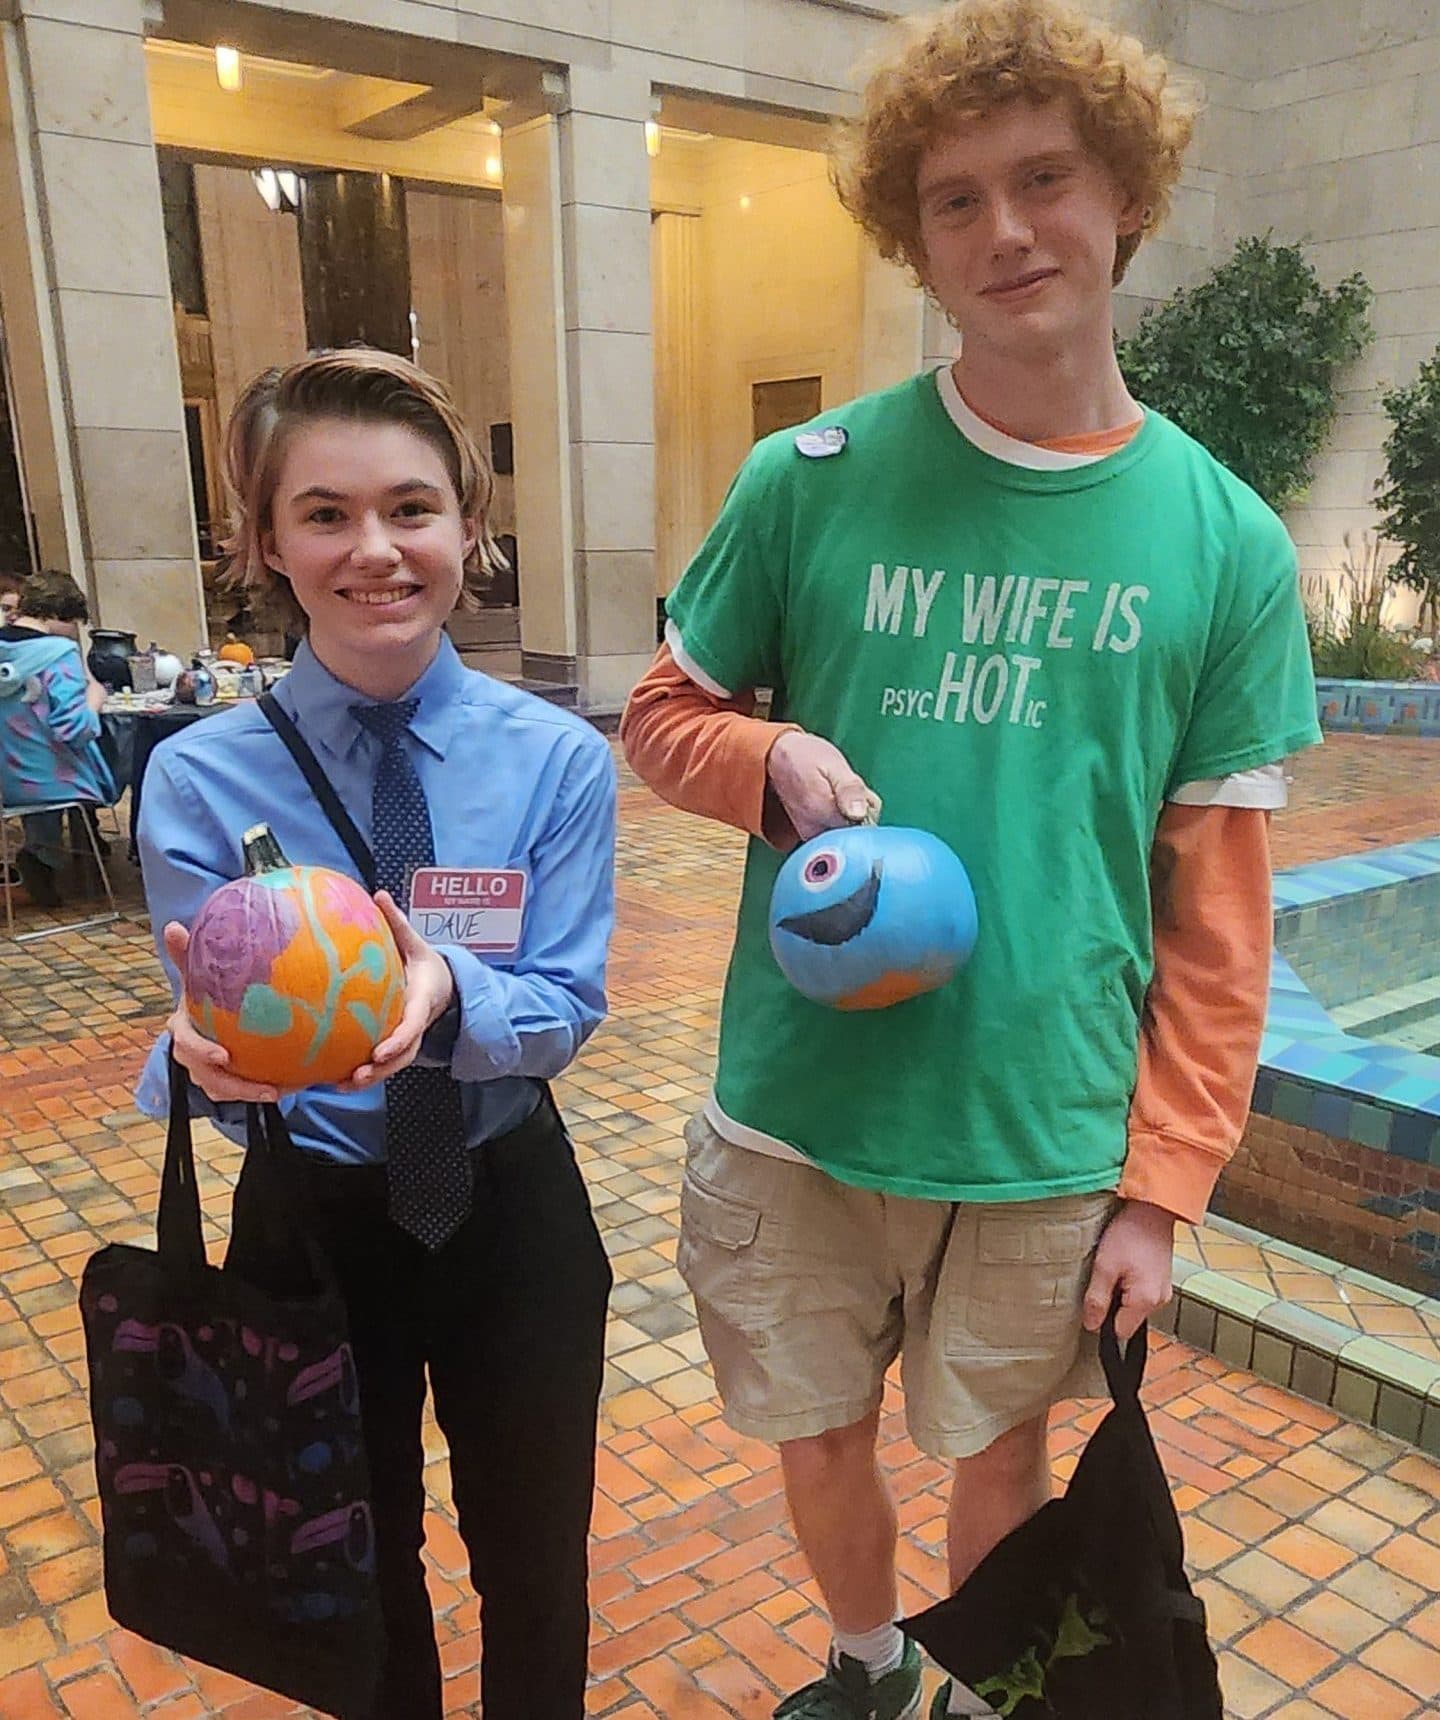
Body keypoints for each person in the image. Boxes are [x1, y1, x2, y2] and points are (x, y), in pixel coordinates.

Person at [620, 3, 1321, 1715]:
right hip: (800, 1111)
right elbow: (659, 714)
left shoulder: (1224, 540)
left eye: (1045, 179)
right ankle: (868, 1666)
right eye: (955, 199)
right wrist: (766, 757)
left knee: (1001, 1458)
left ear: (1124, 196)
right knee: (816, 1434)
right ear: (913, 236)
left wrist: (1163, 1189)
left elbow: (1219, 918)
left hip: (1038, 1128)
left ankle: (984, 1692)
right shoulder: (810, 480)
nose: (1006, 230)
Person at [134, 348, 616, 1719]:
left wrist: (448, 991)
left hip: (507, 1207)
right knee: (351, 1571)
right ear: (266, 543)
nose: (376, 550)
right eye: (326, 514)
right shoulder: (199, 778)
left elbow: (566, 1003)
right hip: (311, 1222)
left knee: (536, 1561)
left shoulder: (557, 759)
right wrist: (196, 1063)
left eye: (411, 508)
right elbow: (207, 1017)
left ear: (469, 525)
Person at [1, 570, 117, 906]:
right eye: (74, 623)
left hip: (10, 781)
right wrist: (94, 698)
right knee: (116, 763)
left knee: (42, 758)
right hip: (55, 782)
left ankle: (42, 856)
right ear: (57, 615)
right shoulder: (57, 653)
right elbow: (73, 729)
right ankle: (55, 860)